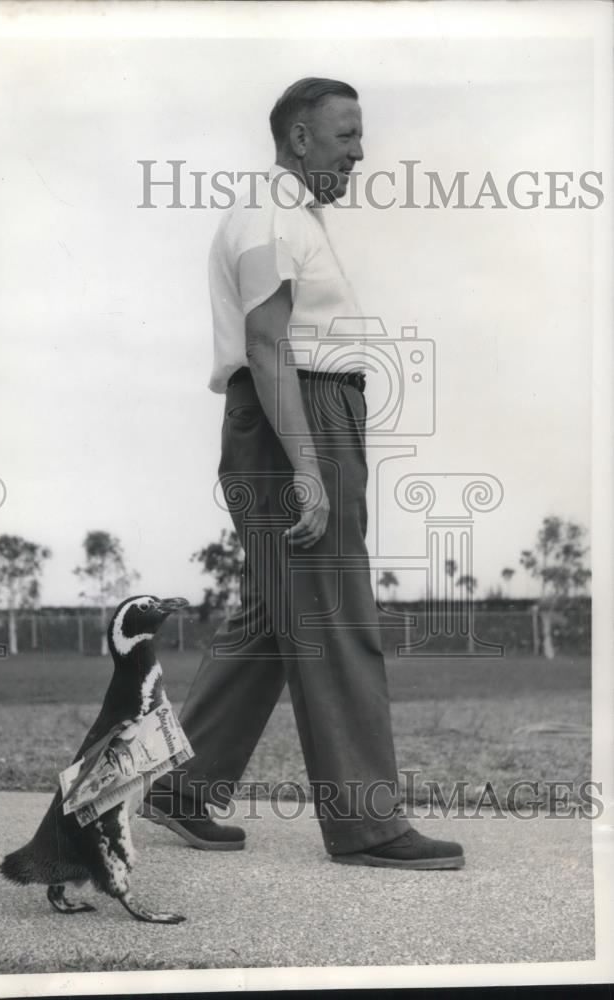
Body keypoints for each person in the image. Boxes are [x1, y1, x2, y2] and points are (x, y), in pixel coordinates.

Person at [144, 78, 464, 869]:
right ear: (298, 138)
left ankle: (182, 787)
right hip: (298, 415)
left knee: (277, 615)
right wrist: (312, 470)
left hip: (302, 412)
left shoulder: (289, 213)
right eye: (347, 135)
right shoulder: (271, 216)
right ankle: (367, 824)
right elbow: (267, 348)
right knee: (332, 613)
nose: (361, 152)